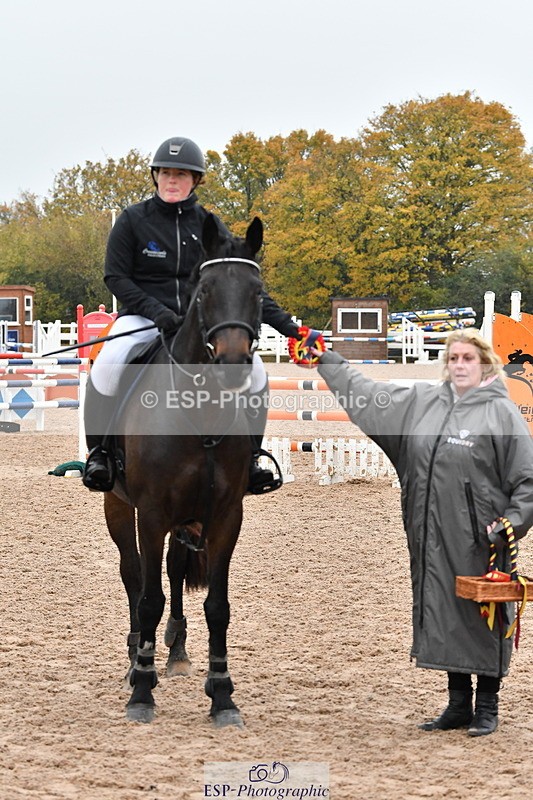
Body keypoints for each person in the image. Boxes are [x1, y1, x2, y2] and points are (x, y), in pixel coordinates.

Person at [313, 328, 533, 736]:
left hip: (481, 537)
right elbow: (368, 395)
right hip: (430, 532)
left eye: (468, 358)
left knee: (482, 616)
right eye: (453, 359)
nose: (460, 365)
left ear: (486, 362)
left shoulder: (501, 412)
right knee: (444, 611)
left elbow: (527, 479)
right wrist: (327, 360)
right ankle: (457, 704)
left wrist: (512, 523)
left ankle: (487, 707)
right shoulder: (424, 402)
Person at [83, 136, 307, 493]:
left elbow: (237, 283)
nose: (173, 180)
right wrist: (156, 311)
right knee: (109, 362)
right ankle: (100, 455)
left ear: (196, 181)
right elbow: (116, 277)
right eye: (167, 173)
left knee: (258, 373)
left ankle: (251, 459)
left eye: (182, 175)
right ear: (156, 176)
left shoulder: (210, 225)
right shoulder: (132, 220)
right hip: (142, 317)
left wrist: (291, 328)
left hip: (197, 322)